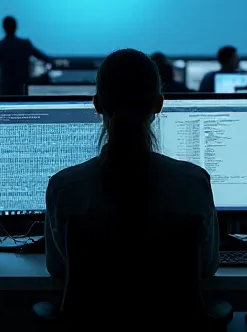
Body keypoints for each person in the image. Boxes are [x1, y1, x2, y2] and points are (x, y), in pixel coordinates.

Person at [44, 49, 219, 278]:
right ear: (159, 104)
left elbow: (58, 270)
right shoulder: (194, 183)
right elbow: (206, 268)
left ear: (97, 104)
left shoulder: (64, 187)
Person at [0, 16, 52, 96]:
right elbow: (45, 58)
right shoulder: (25, 44)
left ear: (3, 28)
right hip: (23, 91)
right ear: (16, 27)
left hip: (5, 92)